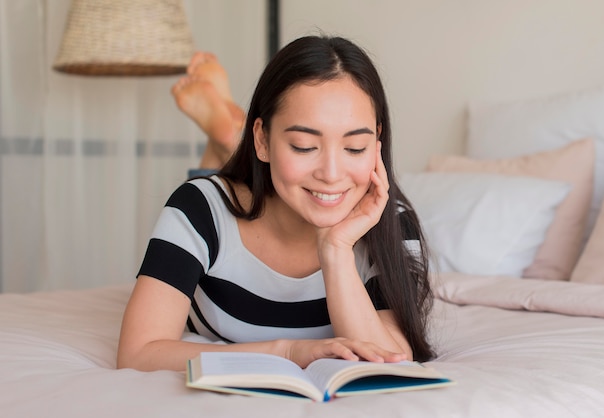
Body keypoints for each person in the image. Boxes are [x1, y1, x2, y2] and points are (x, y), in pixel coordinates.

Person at [117, 35, 435, 372]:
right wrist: (286, 352)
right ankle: (226, 135)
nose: (331, 174)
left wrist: (336, 250)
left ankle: (225, 134)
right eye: (303, 145)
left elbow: (390, 360)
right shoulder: (198, 210)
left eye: (355, 147)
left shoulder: (392, 222)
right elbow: (138, 352)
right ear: (262, 139)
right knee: (218, 184)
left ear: (377, 142)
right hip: (237, 194)